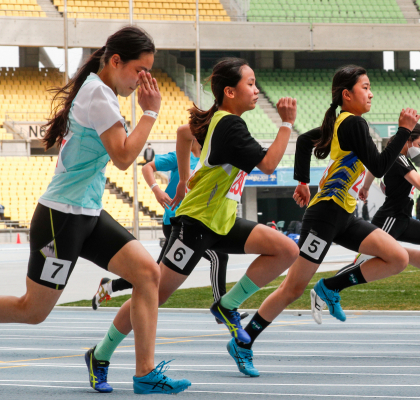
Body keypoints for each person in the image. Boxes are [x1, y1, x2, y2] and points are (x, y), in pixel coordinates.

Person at [0, 27, 191, 394]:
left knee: (148, 274)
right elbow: (123, 157)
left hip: (87, 214)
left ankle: (145, 373)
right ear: (116, 61)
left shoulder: (99, 90)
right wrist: (150, 113)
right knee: (33, 311)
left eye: (149, 72)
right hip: (60, 220)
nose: (143, 81)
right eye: (140, 70)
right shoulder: (99, 95)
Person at [91, 57, 300, 383]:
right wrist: (286, 123)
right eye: (250, 83)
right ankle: (100, 354)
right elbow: (270, 164)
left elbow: (183, 132)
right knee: (152, 295)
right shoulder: (230, 124)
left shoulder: (218, 119)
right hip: (197, 225)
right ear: (230, 92)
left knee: (285, 250)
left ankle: (226, 305)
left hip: (224, 222)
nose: (257, 90)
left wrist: (186, 178)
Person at [224, 65, 420, 378]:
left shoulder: (343, 122)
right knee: (292, 289)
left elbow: (304, 141)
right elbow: (381, 166)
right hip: (325, 216)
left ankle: (330, 287)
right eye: (365, 87)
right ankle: (244, 344)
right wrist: (403, 130)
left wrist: (301, 182)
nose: (371, 94)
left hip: (344, 215)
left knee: (398, 257)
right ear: (347, 94)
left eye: (371, 88)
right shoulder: (353, 122)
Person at [91, 139, 249, 321]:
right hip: (175, 223)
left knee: (155, 276)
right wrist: (156, 190)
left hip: (194, 224)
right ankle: (222, 310)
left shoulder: (209, 160)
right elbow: (147, 168)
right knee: (218, 256)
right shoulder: (180, 156)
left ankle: (110, 286)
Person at [324, 126, 420, 325]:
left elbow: (376, 166)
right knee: (363, 262)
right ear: (407, 141)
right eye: (419, 144)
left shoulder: (401, 159)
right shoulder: (399, 158)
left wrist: (366, 186)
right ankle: (328, 288)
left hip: (403, 219)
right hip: (390, 219)